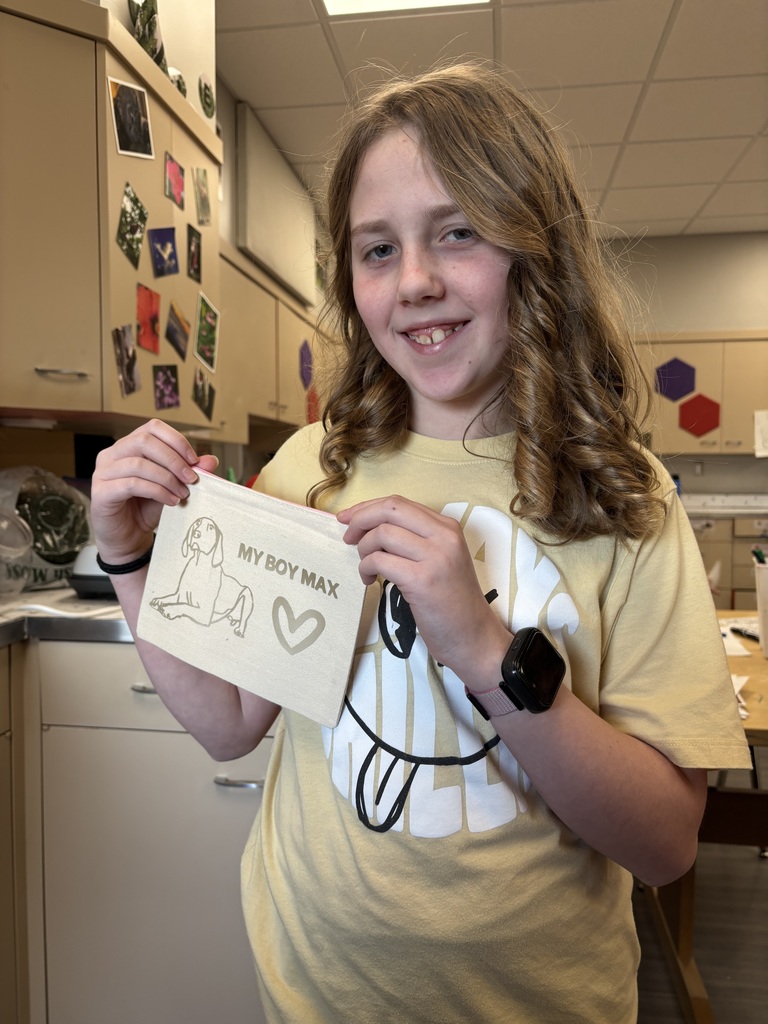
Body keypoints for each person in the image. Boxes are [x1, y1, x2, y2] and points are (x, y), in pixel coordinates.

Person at [90, 63, 751, 1024]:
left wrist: (486, 651)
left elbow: (664, 846)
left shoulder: (619, 494)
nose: (418, 281)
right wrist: (129, 557)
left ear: (537, 248)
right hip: (309, 992)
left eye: (458, 231)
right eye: (376, 249)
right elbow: (229, 723)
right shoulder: (316, 463)